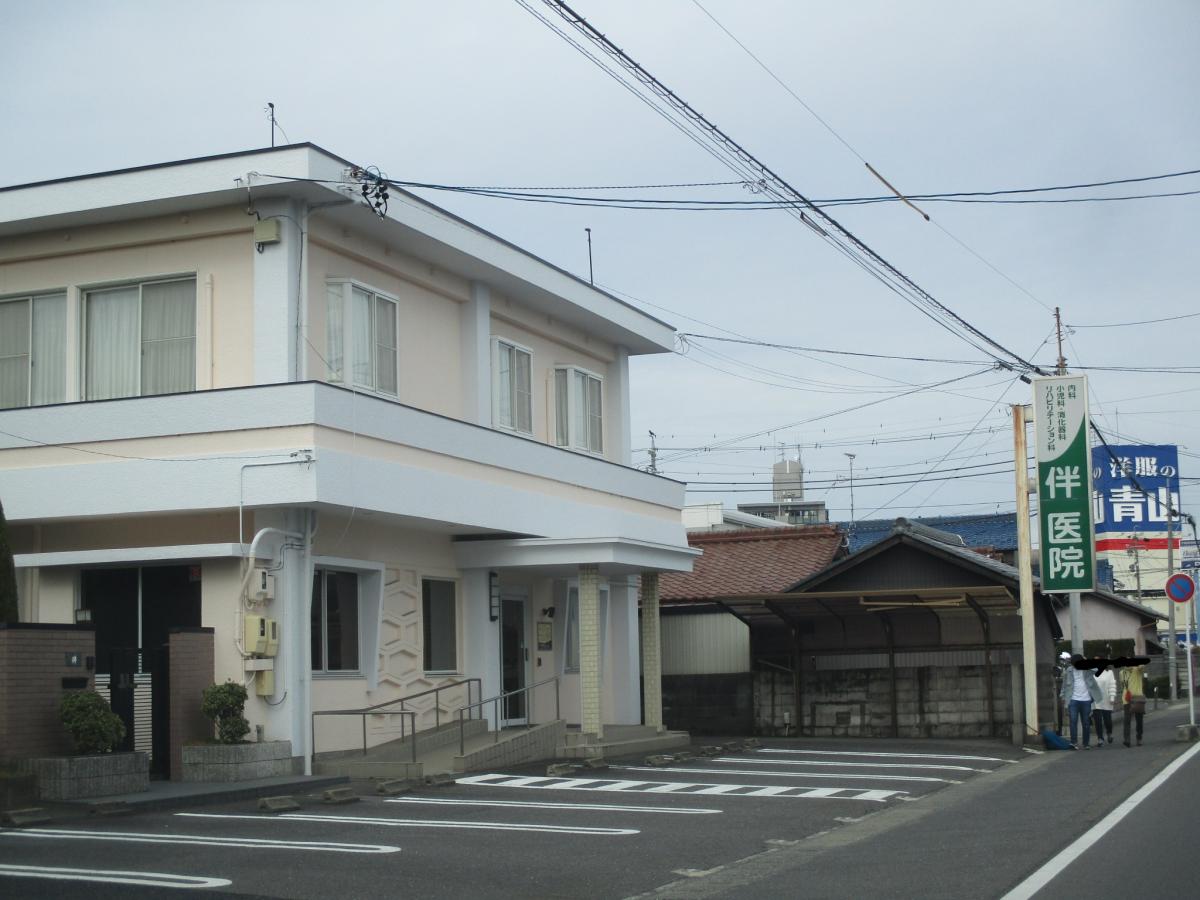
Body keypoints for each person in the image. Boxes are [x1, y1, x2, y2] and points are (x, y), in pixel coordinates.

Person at [1059, 652, 1104, 748]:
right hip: (1073, 699)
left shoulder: (1087, 669)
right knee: (1073, 721)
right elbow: (1064, 684)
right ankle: (1074, 742)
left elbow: (1097, 669)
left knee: (1086, 722)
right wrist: (1062, 696)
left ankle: (1086, 743)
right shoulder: (1069, 670)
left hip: (1086, 699)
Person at [1121, 665, 1147, 747]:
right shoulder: (1122, 673)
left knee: (1139, 720)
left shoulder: (1137, 670)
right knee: (1127, 720)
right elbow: (1123, 685)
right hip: (1127, 699)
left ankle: (1139, 737)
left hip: (1137, 698)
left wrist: (1137, 667)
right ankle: (1127, 740)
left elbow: (1142, 667)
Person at [1092, 665, 1117, 744]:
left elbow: (1112, 685)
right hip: (1096, 700)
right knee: (1098, 720)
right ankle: (1100, 738)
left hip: (1106, 700)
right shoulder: (1092, 672)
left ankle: (1109, 733)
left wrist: (1112, 697)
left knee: (1107, 720)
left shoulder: (1109, 673)